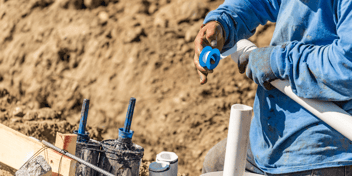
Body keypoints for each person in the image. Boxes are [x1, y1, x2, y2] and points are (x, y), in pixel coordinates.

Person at [193, 0, 352, 175]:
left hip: (327, 147)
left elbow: (346, 68)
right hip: (273, 132)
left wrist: (278, 61)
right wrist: (224, 22)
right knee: (216, 164)